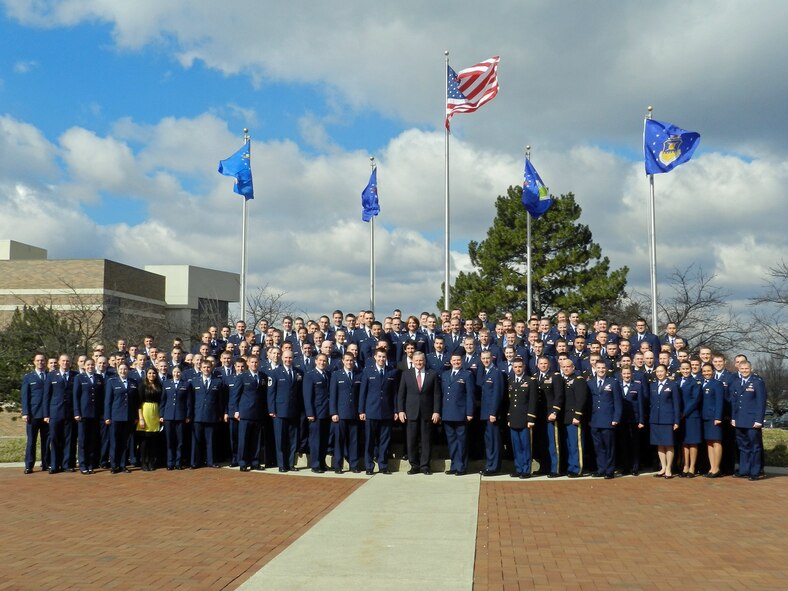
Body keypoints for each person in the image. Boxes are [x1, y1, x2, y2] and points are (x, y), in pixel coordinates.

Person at [396, 351, 441, 475]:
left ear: (424, 361)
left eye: (421, 360)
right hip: (411, 412)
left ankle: (425, 465)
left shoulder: (432, 374)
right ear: (413, 361)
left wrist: (436, 411)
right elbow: (401, 394)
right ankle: (414, 465)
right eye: (416, 361)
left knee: (426, 440)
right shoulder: (406, 374)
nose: (419, 363)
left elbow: (437, 394)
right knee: (411, 440)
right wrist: (400, 410)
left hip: (427, 412)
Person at [359, 349, 398, 475]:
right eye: (379, 357)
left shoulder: (391, 372)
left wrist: (396, 410)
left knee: (384, 440)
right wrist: (361, 410)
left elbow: (395, 394)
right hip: (371, 411)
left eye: (384, 357)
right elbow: (362, 393)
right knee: (370, 440)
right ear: (375, 357)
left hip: (386, 412)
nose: (382, 359)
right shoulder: (368, 371)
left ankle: (383, 465)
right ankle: (369, 466)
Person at [730, 361, 767, 481]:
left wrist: (758, 420)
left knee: (754, 446)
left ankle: (755, 471)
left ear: (751, 368)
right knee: (742, 446)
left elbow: (761, 403)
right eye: (742, 368)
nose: (744, 370)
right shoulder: (736, 383)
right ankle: (744, 470)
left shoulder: (757, 382)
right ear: (739, 369)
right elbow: (734, 403)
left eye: (746, 368)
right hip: (739, 420)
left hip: (752, 421)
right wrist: (733, 418)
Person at [441, 352, 475, 476]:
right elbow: (443, 394)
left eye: (458, 360)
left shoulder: (467, 375)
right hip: (447, 413)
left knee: (462, 441)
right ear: (450, 361)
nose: (456, 362)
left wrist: (469, 412)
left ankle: (461, 466)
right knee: (451, 441)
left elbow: (470, 395)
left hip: (461, 413)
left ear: (462, 361)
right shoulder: (445, 375)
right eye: (454, 360)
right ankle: (454, 465)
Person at [231, 356, 268, 471]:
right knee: (244, 439)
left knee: (256, 440)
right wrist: (236, 411)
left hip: (258, 413)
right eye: (252, 362)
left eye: (256, 362)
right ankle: (242, 462)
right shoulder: (242, 377)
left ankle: (255, 462)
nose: (254, 364)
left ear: (259, 363)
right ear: (248, 363)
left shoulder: (263, 377)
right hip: (245, 413)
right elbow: (235, 396)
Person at [588, 359, 623, 479]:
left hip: (608, 420)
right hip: (594, 420)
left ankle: (609, 470)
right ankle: (601, 469)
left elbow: (618, 402)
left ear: (606, 369)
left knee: (609, 447)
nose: (601, 370)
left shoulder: (613, 382)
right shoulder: (590, 382)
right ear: (595, 368)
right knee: (598, 447)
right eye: (599, 368)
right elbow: (588, 402)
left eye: (603, 368)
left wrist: (616, 418)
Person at [44, 354, 77, 473]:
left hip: (69, 412)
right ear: (59, 362)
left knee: (68, 439)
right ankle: (54, 465)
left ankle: (66, 464)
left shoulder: (75, 375)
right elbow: (46, 396)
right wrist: (46, 414)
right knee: (54, 439)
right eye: (63, 361)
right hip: (55, 413)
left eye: (67, 361)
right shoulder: (51, 375)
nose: (65, 363)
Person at [330, 353, 362, 473]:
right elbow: (333, 395)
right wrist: (333, 412)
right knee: (339, 441)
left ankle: (354, 465)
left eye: (351, 360)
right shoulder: (336, 375)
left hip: (354, 413)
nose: (349, 362)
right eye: (347, 360)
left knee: (354, 441)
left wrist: (360, 411)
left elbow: (360, 395)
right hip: (340, 414)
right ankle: (338, 465)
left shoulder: (359, 374)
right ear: (343, 361)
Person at [104, 362, 139, 473]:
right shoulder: (112, 382)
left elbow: (135, 401)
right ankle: (114, 465)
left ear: (128, 370)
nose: (123, 371)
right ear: (117, 370)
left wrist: (136, 416)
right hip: (115, 417)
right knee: (115, 442)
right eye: (121, 369)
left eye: (125, 369)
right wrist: (107, 416)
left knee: (125, 442)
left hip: (128, 417)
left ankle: (123, 464)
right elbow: (108, 401)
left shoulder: (133, 382)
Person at [507, 357, 538, 478]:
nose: (518, 369)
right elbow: (510, 401)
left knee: (525, 446)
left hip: (525, 419)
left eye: (520, 366)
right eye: (515, 367)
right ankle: (518, 468)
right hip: (514, 418)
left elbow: (533, 401)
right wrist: (509, 417)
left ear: (524, 367)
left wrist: (531, 419)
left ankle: (526, 469)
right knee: (516, 446)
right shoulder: (510, 380)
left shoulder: (530, 381)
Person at [190, 359, 224, 468]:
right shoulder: (194, 382)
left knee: (211, 441)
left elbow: (220, 401)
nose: (206, 369)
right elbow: (191, 400)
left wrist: (220, 414)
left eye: (208, 367)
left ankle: (211, 461)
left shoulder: (217, 382)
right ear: (200, 368)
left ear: (212, 368)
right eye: (204, 367)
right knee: (197, 441)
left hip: (212, 415)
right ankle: (195, 462)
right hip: (197, 415)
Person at [72, 358, 104, 474]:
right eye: (88, 365)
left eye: (92, 365)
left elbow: (101, 397)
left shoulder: (99, 378)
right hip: (83, 414)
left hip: (95, 414)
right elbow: (76, 396)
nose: (90, 367)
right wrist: (76, 412)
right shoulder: (79, 378)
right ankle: (82, 464)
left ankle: (91, 463)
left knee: (92, 440)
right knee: (82, 440)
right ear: (84, 366)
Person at [649, 365, 680, 479]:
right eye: (657, 372)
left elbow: (676, 404)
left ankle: (668, 468)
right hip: (655, 419)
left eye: (662, 371)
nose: (659, 373)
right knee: (660, 445)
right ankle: (663, 467)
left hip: (668, 419)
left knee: (669, 444)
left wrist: (676, 420)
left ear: (666, 372)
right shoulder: (652, 385)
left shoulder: (673, 385)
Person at [21, 353, 50, 474]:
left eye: (42, 360)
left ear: (45, 362)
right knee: (31, 441)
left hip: (47, 415)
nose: (40, 362)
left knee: (46, 441)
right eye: (38, 360)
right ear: (34, 362)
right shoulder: (29, 377)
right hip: (33, 415)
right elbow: (25, 396)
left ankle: (46, 463)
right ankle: (29, 465)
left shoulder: (49, 376)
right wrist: (25, 412)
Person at [477, 350, 505, 476]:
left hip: (492, 414)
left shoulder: (497, 373)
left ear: (492, 358)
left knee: (494, 441)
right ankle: (489, 464)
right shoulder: (484, 372)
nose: (485, 360)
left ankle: (494, 467)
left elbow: (497, 395)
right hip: (484, 413)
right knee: (489, 441)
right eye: (483, 358)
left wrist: (493, 413)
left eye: (487, 358)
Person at [160, 366, 192, 470]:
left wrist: (188, 415)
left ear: (181, 373)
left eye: (178, 372)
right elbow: (163, 401)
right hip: (168, 416)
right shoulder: (166, 383)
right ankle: (170, 462)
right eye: (174, 372)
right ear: (172, 373)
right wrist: (161, 415)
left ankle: (178, 462)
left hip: (181, 416)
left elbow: (189, 402)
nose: (176, 374)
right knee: (170, 440)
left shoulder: (186, 384)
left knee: (180, 441)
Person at [302, 353, 331, 473]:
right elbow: (307, 396)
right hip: (316, 413)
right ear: (316, 361)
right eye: (320, 360)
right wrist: (310, 413)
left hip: (327, 412)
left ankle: (322, 462)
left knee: (324, 440)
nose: (322, 362)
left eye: (324, 361)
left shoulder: (328, 374)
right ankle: (315, 464)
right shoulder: (310, 375)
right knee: (315, 440)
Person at [560, 359, 588, 478]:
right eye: (564, 367)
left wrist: (577, 415)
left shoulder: (578, 380)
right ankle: (571, 467)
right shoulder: (564, 380)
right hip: (565, 417)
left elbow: (581, 399)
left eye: (568, 366)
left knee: (576, 444)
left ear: (573, 367)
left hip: (574, 418)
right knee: (569, 445)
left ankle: (577, 469)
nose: (566, 368)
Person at [616, 366, 644, 476]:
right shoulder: (617, 385)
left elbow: (641, 404)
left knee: (635, 444)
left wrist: (641, 420)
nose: (626, 376)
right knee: (624, 444)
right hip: (622, 419)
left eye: (628, 374)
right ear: (621, 374)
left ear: (631, 374)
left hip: (635, 419)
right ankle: (625, 467)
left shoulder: (637, 386)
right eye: (624, 374)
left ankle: (635, 467)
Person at [677, 361, 702, 477]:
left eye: (688, 369)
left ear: (691, 369)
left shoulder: (695, 382)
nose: (686, 371)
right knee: (684, 442)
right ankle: (685, 465)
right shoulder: (677, 382)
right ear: (680, 369)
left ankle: (692, 466)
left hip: (691, 416)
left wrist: (684, 413)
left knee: (692, 442)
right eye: (683, 369)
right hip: (680, 417)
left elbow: (695, 400)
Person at [700, 362, 724, 478]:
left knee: (716, 441)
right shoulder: (701, 383)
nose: (706, 373)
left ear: (713, 371)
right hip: (705, 417)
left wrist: (718, 417)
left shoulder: (717, 384)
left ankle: (716, 468)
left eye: (708, 371)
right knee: (709, 442)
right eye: (704, 371)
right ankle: (711, 467)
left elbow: (720, 402)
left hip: (714, 417)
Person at [136, 368, 162, 471]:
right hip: (145, 411)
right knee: (144, 441)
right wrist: (141, 418)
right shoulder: (142, 385)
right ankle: (143, 462)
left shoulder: (159, 385)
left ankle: (151, 462)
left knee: (153, 440)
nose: (152, 375)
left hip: (155, 413)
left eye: (154, 373)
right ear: (146, 374)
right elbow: (138, 403)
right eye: (149, 373)